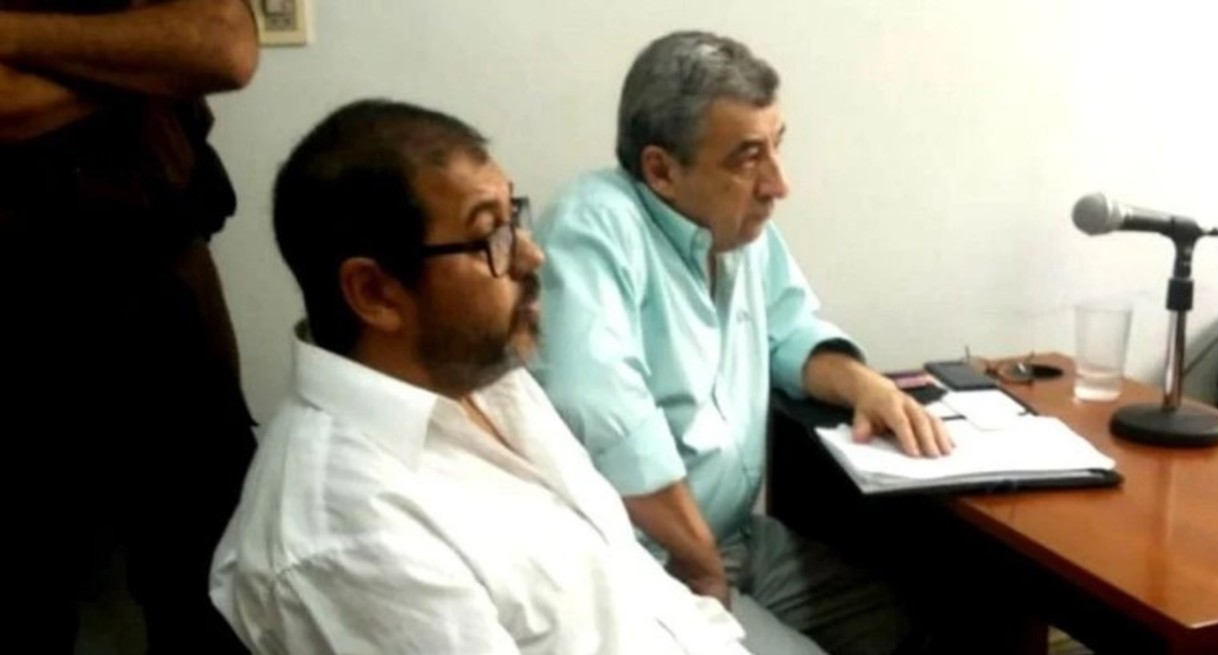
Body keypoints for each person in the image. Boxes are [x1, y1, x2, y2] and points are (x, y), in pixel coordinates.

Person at [209, 99, 751, 654]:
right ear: (376, 293)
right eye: (489, 233)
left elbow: (626, 586)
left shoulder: (481, 377)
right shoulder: (352, 537)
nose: (531, 255)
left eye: (513, 219)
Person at [529, 31, 954, 655]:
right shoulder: (593, 223)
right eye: (748, 158)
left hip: (734, 539)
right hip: (647, 561)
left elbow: (792, 331)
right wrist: (700, 562)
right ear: (661, 170)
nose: (778, 184)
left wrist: (868, 388)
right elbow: (606, 416)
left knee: (931, 615)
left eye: (777, 146)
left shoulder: (736, 230)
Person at [0, 1, 258, 652]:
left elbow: (221, 47)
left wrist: (12, 35)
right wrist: (144, 71)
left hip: (164, 293)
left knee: (212, 591)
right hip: (12, 321)